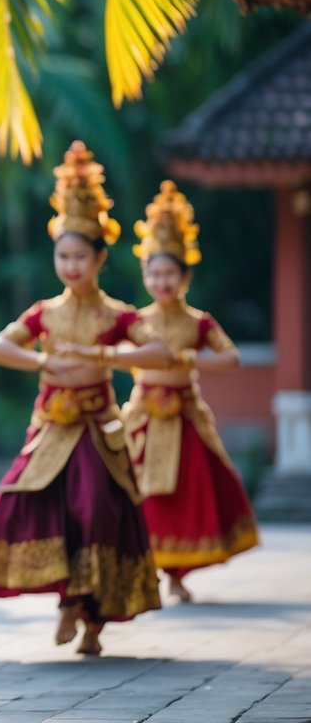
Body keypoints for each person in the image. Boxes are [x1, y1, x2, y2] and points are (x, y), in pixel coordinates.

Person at [0, 141, 171, 656]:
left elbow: (160, 352)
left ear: (100, 259)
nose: (70, 265)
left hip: (98, 429)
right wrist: (45, 363)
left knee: (96, 512)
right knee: (18, 504)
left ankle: (91, 621)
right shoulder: (44, 312)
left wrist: (103, 357)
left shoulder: (118, 314)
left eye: (79, 257)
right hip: (50, 428)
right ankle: (69, 600)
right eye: (63, 256)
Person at [122, 180, 258, 603]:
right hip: (144, 415)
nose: (162, 281)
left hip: (184, 417)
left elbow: (231, 358)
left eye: (169, 273)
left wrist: (186, 360)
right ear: (145, 276)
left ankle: (177, 574)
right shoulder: (134, 319)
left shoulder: (199, 323)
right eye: (154, 273)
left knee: (186, 494)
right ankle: (142, 567)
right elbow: (119, 355)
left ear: (185, 276)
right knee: (135, 491)